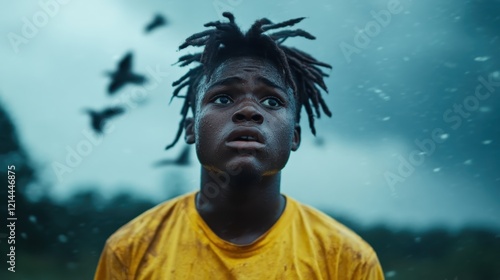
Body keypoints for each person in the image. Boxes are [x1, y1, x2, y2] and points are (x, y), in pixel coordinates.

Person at [94, 12, 385, 279]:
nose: (249, 111)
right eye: (223, 98)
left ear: (294, 136)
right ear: (191, 129)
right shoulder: (130, 250)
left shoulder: (348, 260)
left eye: (272, 101)